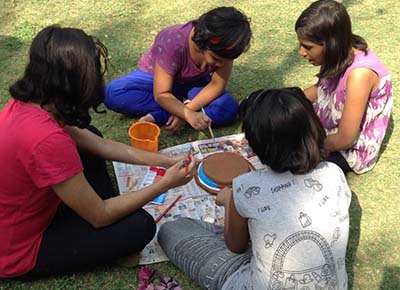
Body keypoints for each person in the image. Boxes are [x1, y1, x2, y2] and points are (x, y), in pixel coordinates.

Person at [0, 25, 196, 279]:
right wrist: (166, 183)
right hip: (18, 250)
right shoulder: (46, 139)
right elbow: (99, 216)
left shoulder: (34, 102)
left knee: (91, 135)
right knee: (140, 227)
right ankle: (113, 237)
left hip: (26, 213)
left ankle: (113, 222)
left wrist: (166, 160)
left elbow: (100, 146)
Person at [158, 87, 352, 290]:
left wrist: (229, 201)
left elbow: (236, 247)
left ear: (256, 145)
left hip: (252, 281)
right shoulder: (334, 172)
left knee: (173, 229)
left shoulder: (246, 186)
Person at [104, 6, 252, 132]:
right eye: (216, 60)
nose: (220, 65)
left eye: (226, 61)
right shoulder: (173, 43)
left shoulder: (227, 46)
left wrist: (188, 111)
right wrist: (187, 114)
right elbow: (161, 93)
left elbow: (216, 85)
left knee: (227, 109)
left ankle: (162, 114)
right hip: (154, 78)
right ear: (202, 45)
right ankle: (172, 109)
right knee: (112, 93)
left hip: (193, 84)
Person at [295, 0, 393, 174]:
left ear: (330, 44)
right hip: (328, 130)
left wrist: (300, 148)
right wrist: (287, 101)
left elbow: (345, 138)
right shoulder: (338, 53)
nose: (301, 52)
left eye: (308, 47)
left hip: (348, 149)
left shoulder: (360, 75)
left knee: (294, 168)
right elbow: (321, 88)